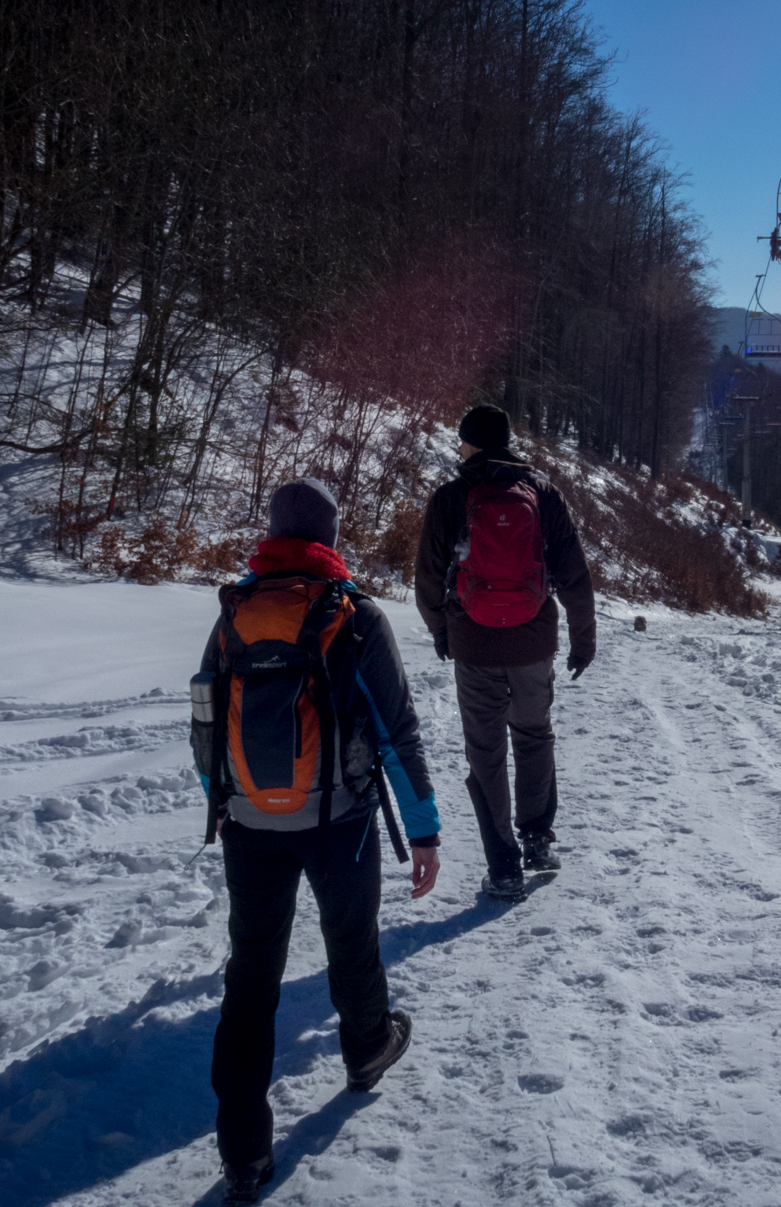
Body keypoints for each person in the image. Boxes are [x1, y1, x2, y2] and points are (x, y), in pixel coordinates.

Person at [191, 477, 441, 1204]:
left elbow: (205, 728)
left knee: (252, 977)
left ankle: (243, 1152)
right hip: (341, 821)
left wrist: (224, 805)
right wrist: (422, 831)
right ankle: (366, 1052)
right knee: (351, 940)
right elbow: (398, 730)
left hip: (249, 827)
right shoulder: (353, 615)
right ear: (330, 538)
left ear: (271, 534)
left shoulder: (232, 613)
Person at [416, 405, 595, 901]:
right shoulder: (542, 494)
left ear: (471, 445)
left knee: (486, 753)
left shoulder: (452, 498)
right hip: (533, 643)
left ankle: (504, 869)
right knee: (534, 734)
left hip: (473, 643)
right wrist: (584, 640)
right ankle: (537, 840)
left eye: (461, 442)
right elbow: (575, 575)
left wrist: (441, 631)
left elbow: (428, 579)